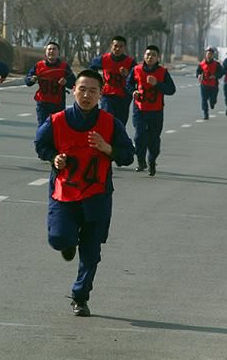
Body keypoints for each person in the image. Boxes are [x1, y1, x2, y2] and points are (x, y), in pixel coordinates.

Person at [34, 69, 135, 317]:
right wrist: (53, 158)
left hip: (96, 196)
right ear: (73, 91)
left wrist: (107, 147)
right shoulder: (57, 120)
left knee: (91, 254)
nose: (86, 95)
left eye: (92, 90)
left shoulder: (110, 124)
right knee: (59, 238)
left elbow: (127, 155)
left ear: (101, 94)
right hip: (64, 193)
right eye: (82, 89)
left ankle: (80, 296)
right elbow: (41, 144)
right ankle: (68, 243)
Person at [125, 45, 177, 176]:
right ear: (144, 56)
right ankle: (141, 161)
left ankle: (152, 161)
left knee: (154, 140)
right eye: (148, 54)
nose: (150, 57)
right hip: (140, 110)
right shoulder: (136, 69)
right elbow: (128, 84)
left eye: (153, 55)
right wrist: (133, 91)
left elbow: (171, 90)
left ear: (157, 57)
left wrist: (157, 84)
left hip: (156, 111)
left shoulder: (162, 72)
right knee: (139, 136)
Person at [25, 41, 76, 128]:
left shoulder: (64, 67)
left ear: (58, 52)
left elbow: (74, 83)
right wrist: (32, 79)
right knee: (43, 128)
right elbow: (27, 80)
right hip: (42, 103)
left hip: (58, 104)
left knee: (57, 128)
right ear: (46, 52)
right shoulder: (39, 65)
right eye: (49, 49)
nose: (51, 51)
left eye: (54, 49)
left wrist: (66, 82)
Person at [89, 36, 135, 126]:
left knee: (120, 123)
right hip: (107, 94)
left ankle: (117, 139)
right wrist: (98, 80)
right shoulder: (103, 59)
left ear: (124, 48)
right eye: (115, 46)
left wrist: (128, 74)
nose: (117, 49)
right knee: (107, 118)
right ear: (111, 46)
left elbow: (137, 78)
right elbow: (91, 68)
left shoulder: (130, 62)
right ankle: (106, 138)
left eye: (121, 46)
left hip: (123, 96)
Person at [196, 46, 224, 120]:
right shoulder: (201, 64)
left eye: (211, 54)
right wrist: (199, 75)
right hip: (204, 84)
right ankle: (206, 113)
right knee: (204, 99)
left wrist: (215, 76)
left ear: (213, 55)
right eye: (208, 53)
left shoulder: (216, 64)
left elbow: (221, 73)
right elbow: (198, 72)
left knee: (213, 100)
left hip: (213, 85)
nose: (209, 55)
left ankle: (212, 103)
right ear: (206, 54)